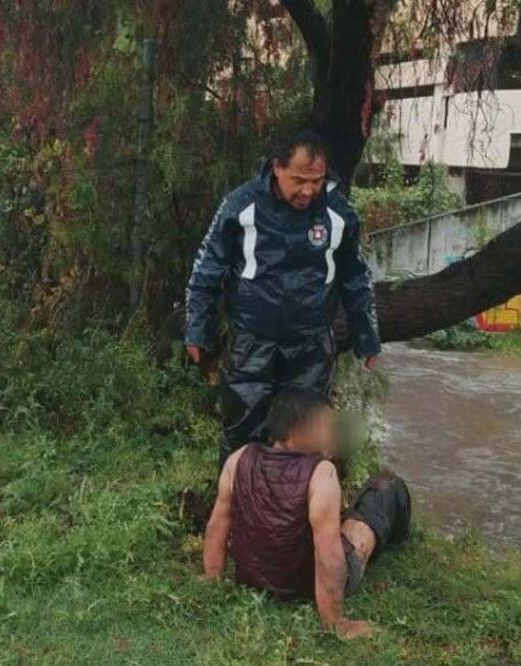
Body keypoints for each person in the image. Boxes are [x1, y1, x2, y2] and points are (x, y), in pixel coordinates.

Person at [184, 131, 381, 466]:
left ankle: (295, 510)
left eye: (316, 181)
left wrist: (368, 338)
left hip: (310, 346)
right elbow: (207, 270)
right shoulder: (240, 205)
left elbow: (356, 279)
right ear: (277, 168)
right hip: (252, 343)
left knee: (303, 435)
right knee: (242, 429)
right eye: (299, 180)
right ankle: (238, 504)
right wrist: (196, 330)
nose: (308, 190)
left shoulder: (338, 212)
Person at [201, 389, 411, 639]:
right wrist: (336, 623)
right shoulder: (322, 473)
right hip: (304, 585)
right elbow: (329, 554)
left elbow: (217, 525)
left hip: (252, 578)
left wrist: (212, 577)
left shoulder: (238, 458)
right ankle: (400, 535)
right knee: (386, 489)